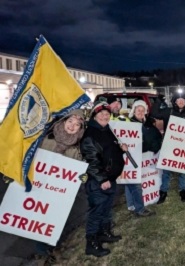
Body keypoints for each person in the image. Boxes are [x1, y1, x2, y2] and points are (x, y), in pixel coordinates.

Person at [33, 109, 86, 264]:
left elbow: (78, 169)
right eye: (70, 121)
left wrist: (82, 177)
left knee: (55, 219)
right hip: (40, 187)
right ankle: (41, 251)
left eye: (77, 124)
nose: (72, 126)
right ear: (63, 122)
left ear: (80, 128)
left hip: (60, 191)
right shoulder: (45, 139)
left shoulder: (78, 147)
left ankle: (51, 246)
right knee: (37, 218)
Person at [80, 102, 128, 257]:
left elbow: (109, 152)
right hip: (98, 182)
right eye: (101, 114)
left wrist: (121, 150)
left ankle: (104, 233)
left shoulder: (106, 130)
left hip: (110, 179)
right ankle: (91, 244)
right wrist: (101, 179)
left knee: (106, 209)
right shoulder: (91, 134)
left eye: (107, 114)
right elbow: (91, 161)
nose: (105, 116)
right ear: (95, 115)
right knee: (96, 212)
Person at [151, 91, 185, 203]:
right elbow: (154, 114)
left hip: (183, 148)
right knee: (166, 171)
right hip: (169, 146)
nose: (181, 102)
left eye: (183, 100)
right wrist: (158, 101)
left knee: (182, 171)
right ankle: (164, 192)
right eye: (178, 100)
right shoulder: (168, 112)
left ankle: (183, 191)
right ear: (174, 101)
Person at [124, 100, 162, 216]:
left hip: (147, 157)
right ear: (133, 111)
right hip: (134, 158)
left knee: (141, 180)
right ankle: (133, 205)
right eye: (138, 110)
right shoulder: (129, 124)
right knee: (132, 181)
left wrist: (154, 148)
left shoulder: (148, 124)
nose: (140, 112)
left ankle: (140, 202)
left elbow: (156, 137)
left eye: (143, 110)